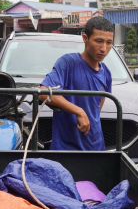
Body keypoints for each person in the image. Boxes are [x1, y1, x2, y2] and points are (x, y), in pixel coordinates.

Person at [39, 16, 114, 151]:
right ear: (85, 38)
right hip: (66, 148)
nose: (104, 48)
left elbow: (96, 110)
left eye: (109, 42)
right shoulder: (68, 63)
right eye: (99, 41)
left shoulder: (106, 73)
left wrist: (85, 114)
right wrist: (79, 111)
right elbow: (44, 92)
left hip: (96, 147)